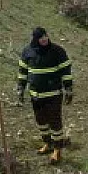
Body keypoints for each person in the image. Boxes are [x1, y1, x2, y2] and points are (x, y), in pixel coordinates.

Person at [16, 27, 73, 164]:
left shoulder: (57, 51)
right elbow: (23, 72)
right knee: (41, 121)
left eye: (46, 36)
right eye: (41, 37)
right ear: (35, 39)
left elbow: (66, 70)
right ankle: (48, 144)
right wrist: (20, 88)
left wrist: (69, 88)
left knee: (55, 122)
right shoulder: (27, 52)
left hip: (53, 95)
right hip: (36, 95)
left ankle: (57, 150)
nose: (44, 39)